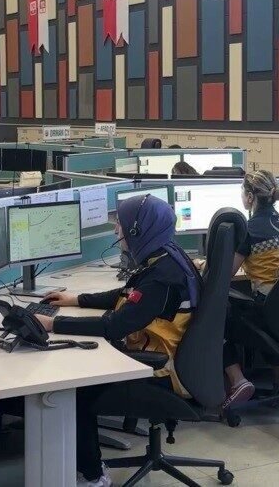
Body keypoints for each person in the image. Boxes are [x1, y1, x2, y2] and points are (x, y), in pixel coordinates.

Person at [34, 194, 201, 487]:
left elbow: (114, 326)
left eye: (120, 225)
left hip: (160, 370)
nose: (116, 231)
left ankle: (93, 477)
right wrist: (78, 299)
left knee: (74, 390)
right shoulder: (166, 256)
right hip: (165, 357)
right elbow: (129, 296)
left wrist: (53, 323)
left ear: (137, 230)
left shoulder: (161, 278)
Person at [221, 170, 279, 411]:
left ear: (249, 197)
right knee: (265, 311)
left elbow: (225, 275)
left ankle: (238, 380)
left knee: (218, 317)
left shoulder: (248, 230)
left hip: (269, 315)